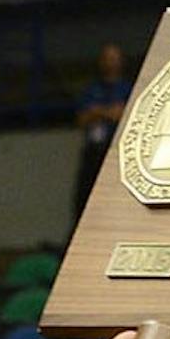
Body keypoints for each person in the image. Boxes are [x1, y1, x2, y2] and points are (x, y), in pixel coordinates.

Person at [72, 42, 131, 214]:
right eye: (106, 58)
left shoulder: (127, 88)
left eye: (113, 58)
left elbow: (123, 114)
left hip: (116, 151)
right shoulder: (91, 89)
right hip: (93, 151)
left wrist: (98, 112)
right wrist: (108, 112)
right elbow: (82, 119)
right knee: (84, 197)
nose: (110, 62)